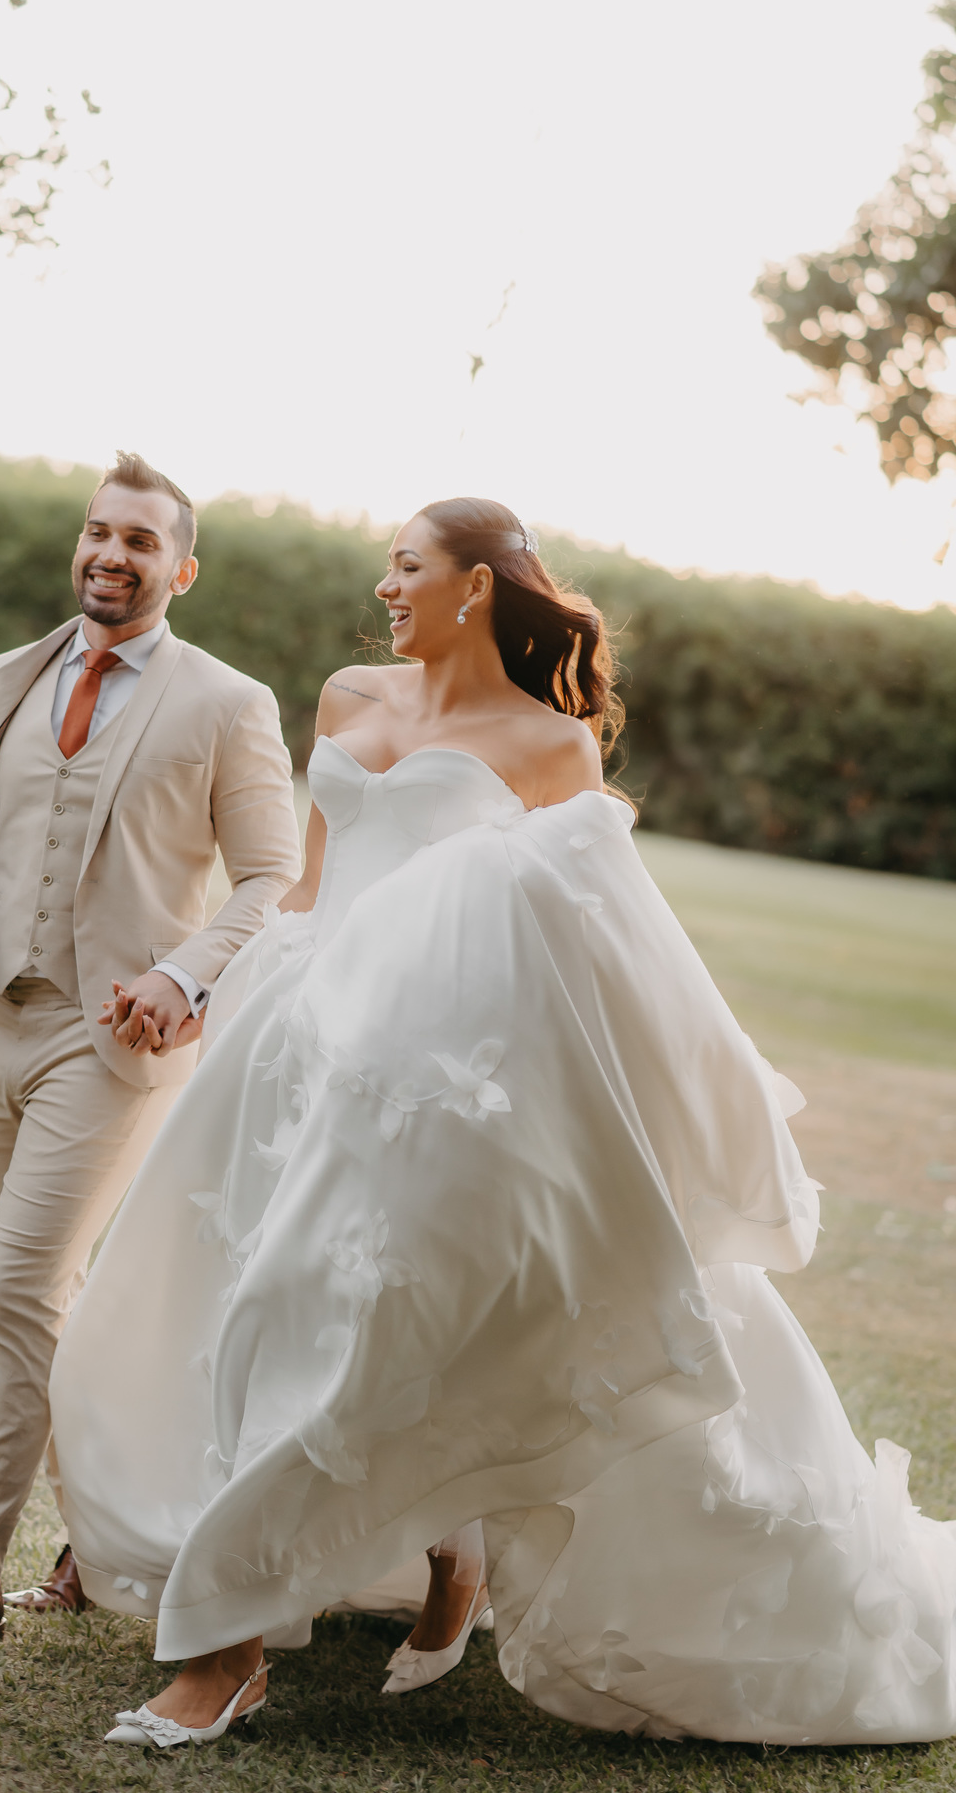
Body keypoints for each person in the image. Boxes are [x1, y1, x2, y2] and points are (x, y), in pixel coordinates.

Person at [49, 496, 956, 1749]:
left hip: (431, 1080)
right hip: (294, 1045)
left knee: (317, 1312)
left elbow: (601, 942)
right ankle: (438, 1554)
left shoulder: (550, 745)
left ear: (474, 585)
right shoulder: (347, 698)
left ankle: (228, 1649)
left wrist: (673, 1097)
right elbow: (310, 884)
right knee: (238, 1306)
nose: (386, 587)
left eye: (408, 566)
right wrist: (219, 994)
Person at [0, 452, 301, 1652]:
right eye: (98, 531)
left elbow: (271, 877)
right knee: (52, 1309)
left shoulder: (226, 702)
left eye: (140, 540)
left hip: (113, 1043)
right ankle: (107, 1536)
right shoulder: (10, 675)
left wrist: (184, 972)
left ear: (181, 569)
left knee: (19, 1294)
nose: (110, 554)